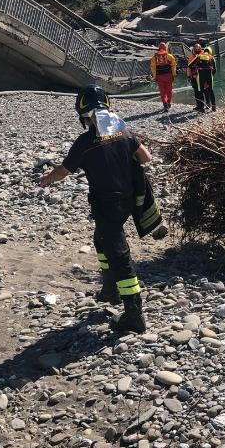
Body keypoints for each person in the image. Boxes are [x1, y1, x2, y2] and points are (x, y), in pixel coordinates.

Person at [37, 86, 152, 334]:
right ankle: (109, 289)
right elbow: (145, 158)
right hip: (127, 200)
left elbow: (64, 171)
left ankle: (134, 313)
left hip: (106, 205)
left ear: (84, 114)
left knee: (119, 255)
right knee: (100, 240)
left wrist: (47, 179)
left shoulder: (85, 142)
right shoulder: (122, 130)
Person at [187, 41, 217, 112]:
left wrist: (192, 73)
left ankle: (202, 108)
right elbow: (215, 69)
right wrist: (211, 76)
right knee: (211, 91)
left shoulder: (199, 57)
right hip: (209, 76)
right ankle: (214, 107)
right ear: (210, 51)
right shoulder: (211, 57)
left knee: (200, 91)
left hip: (200, 76)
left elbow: (190, 66)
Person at [150, 43, 177, 111]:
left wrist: (154, 76)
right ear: (166, 48)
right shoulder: (169, 56)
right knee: (169, 91)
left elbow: (153, 67)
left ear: (158, 48)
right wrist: (174, 74)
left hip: (159, 76)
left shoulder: (155, 57)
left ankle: (165, 104)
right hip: (168, 76)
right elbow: (173, 66)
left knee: (162, 91)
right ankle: (168, 102)